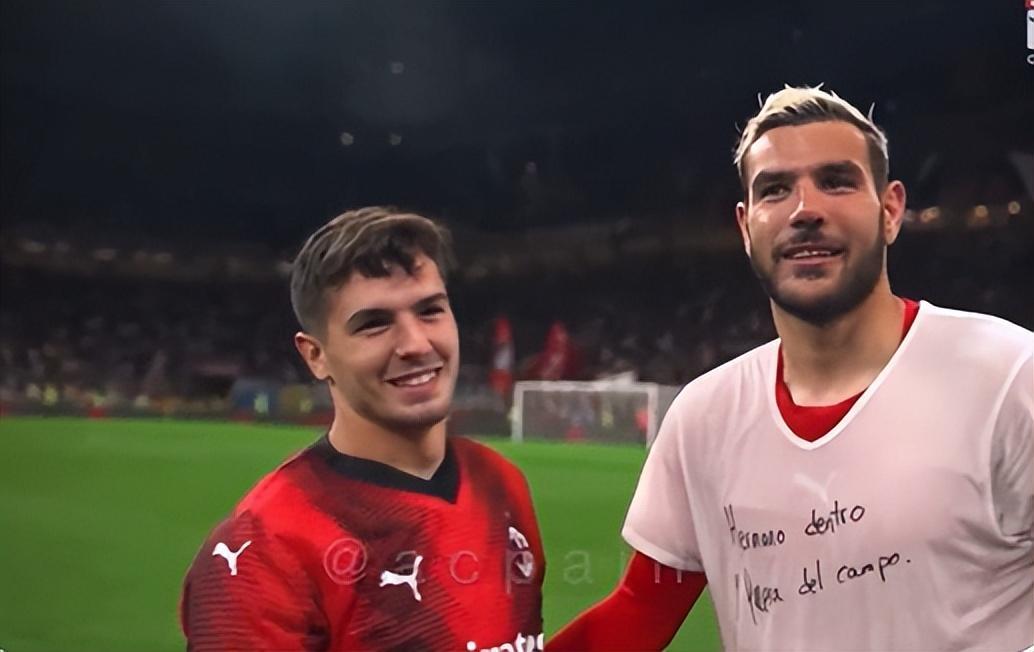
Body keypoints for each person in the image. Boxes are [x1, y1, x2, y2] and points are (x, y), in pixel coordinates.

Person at [549, 86, 1033, 651]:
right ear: (746, 226)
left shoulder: (1009, 377)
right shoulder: (705, 417)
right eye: (775, 189)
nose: (805, 210)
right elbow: (639, 610)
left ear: (890, 210)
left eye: (836, 181)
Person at [181, 207, 545, 651]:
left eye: (430, 310)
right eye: (374, 324)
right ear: (316, 356)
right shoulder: (262, 548)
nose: (416, 344)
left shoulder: (500, 483)